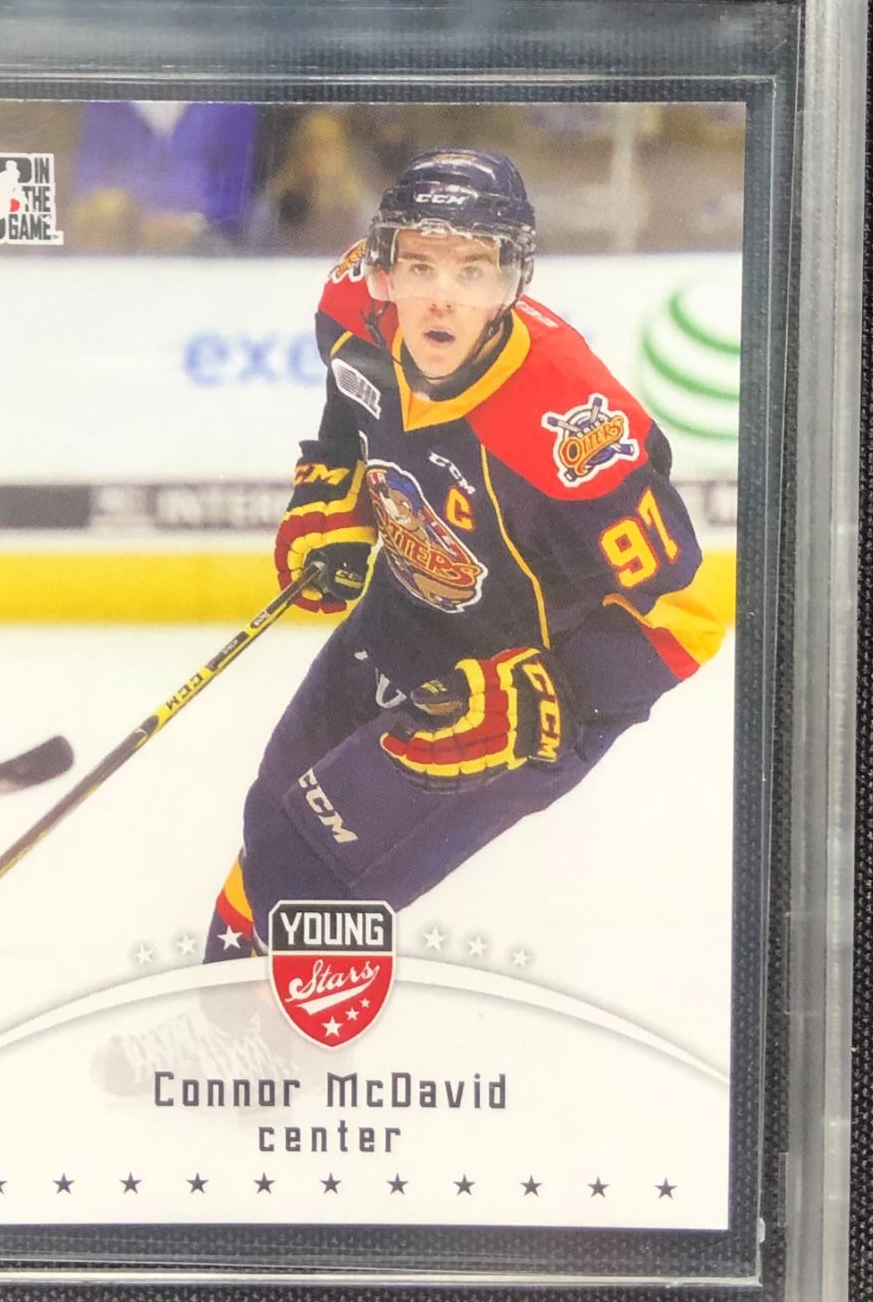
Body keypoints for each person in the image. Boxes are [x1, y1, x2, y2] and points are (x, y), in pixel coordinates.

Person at [204, 150, 727, 960]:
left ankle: (262, 1018)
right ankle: (235, 1010)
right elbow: (351, 396)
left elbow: (685, 619)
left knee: (308, 875)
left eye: (473, 271)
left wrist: (550, 693)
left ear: (513, 282)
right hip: (408, 612)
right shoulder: (351, 304)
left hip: (532, 686)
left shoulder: (567, 426)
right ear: (382, 268)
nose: (441, 296)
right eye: (419, 266)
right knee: (272, 820)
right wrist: (335, 488)